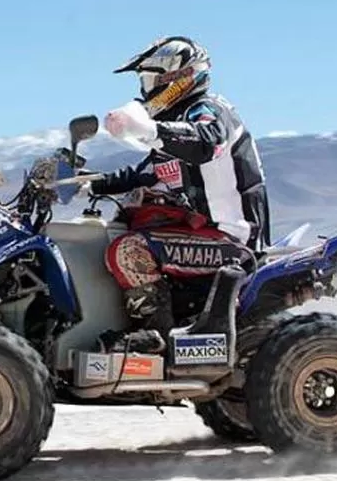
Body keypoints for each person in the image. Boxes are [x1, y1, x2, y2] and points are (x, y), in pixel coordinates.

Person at [89, 36, 271, 353]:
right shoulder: (177, 122)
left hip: (232, 239)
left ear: (179, 78)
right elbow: (142, 173)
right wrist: (87, 183)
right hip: (206, 233)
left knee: (129, 250)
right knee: (121, 228)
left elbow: (205, 142)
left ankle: (155, 339)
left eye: (151, 81)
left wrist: (152, 131)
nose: (146, 91)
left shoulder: (210, 110)